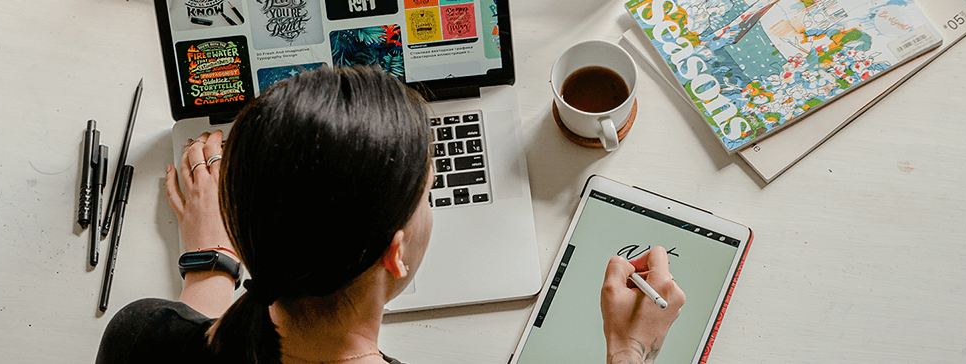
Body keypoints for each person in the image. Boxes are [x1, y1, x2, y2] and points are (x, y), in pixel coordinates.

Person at [95, 66, 686, 364]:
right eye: (427, 192)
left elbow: (191, 342)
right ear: (395, 250)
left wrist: (207, 266)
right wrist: (628, 348)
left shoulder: (138, 338)